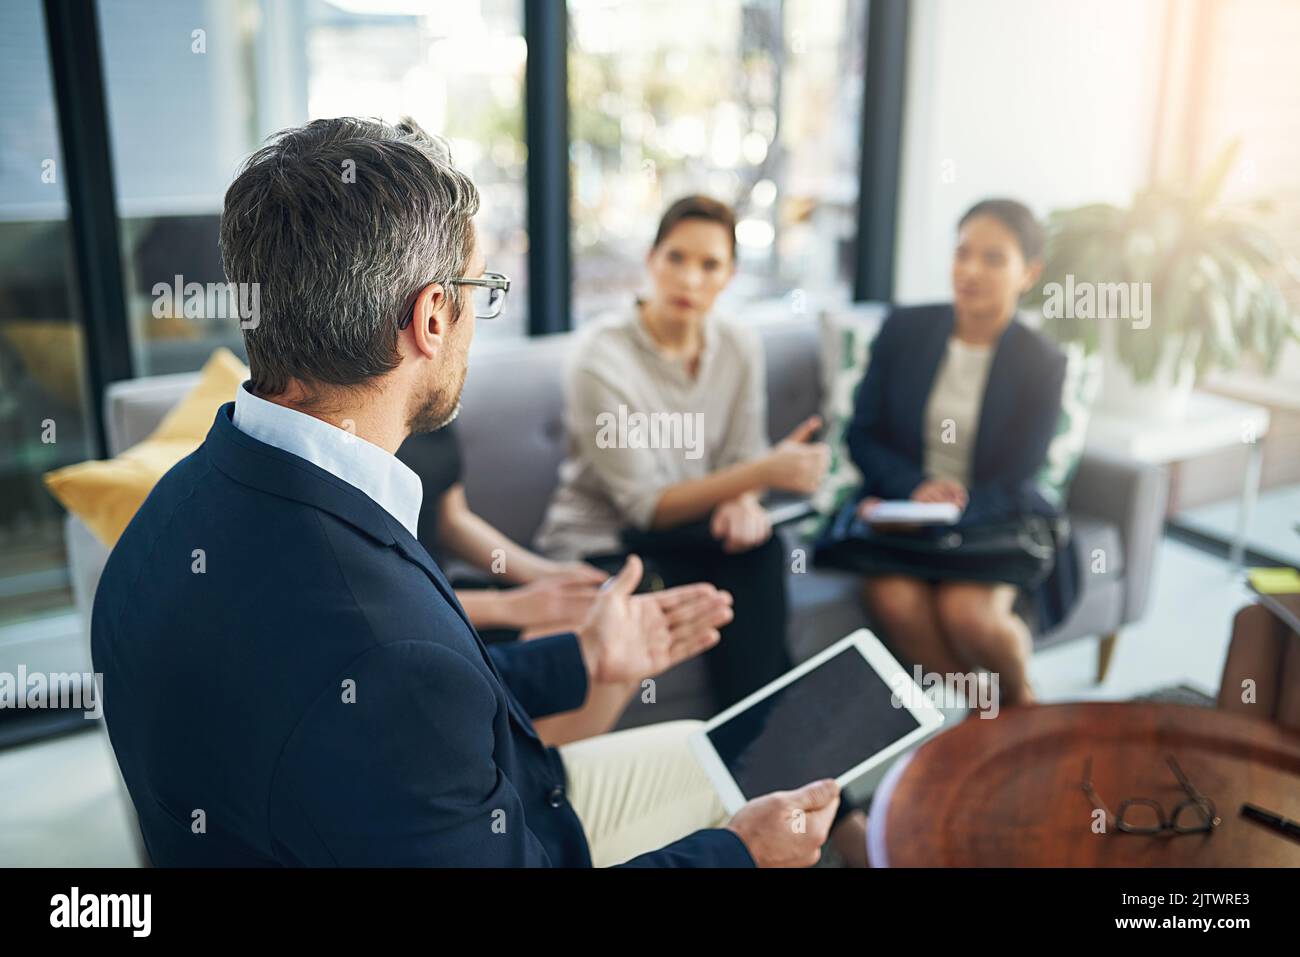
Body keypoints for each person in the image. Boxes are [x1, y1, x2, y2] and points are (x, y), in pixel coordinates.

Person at [92, 117, 842, 867]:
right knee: (743, 813)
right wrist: (739, 856)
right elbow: (401, 693)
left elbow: (399, 702)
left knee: (698, 753)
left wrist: (580, 658)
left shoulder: (168, 514)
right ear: (429, 318)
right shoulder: (385, 651)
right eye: (479, 290)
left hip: (485, 806)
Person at [535, 195, 831, 711]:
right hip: (608, 543)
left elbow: (741, 455)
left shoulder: (738, 345)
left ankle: (763, 760)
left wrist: (745, 500)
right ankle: (773, 762)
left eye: (709, 265)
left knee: (755, 552)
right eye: (676, 258)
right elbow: (644, 505)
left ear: (730, 276)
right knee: (751, 576)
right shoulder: (599, 357)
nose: (690, 279)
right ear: (651, 260)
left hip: (693, 536)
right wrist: (761, 473)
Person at [846, 198, 1075, 708]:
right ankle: (986, 712)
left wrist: (955, 507)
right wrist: (913, 490)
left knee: (969, 615)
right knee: (894, 601)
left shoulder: (1042, 362)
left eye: (993, 259)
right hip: (904, 510)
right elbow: (862, 434)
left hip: (988, 514)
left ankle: (1020, 704)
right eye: (962, 253)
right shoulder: (904, 329)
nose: (970, 270)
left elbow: (1021, 471)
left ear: (1029, 273)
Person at [396, 422, 632, 745]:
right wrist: (511, 606)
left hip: (446, 593)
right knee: (584, 645)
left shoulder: (434, 401)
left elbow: (452, 521)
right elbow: (381, 597)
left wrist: (546, 574)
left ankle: (546, 781)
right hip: (417, 617)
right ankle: (520, 782)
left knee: (620, 633)